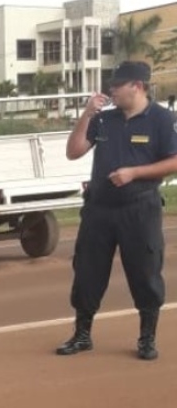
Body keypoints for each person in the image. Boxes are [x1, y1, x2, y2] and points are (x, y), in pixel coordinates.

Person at [58, 61, 177, 361]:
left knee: (145, 272)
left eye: (117, 85)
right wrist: (87, 114)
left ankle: (147, 338)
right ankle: (82, 334)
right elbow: (73, 151)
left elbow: (174, 160)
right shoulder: (104, 119)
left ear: (137, 86)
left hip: (139, 209)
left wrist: (134, 173)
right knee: (87, 270)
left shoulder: (163, 119)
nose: (111, 90)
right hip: (99, 209)